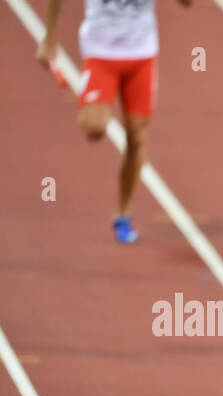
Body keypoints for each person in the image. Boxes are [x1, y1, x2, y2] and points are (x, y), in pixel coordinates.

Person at [36, 0, 194, 245]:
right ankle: (97, 97)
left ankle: (123, 214)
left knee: (137, 136)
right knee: (94, 127)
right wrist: (49, 39)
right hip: (101, 52)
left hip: (141, 53)